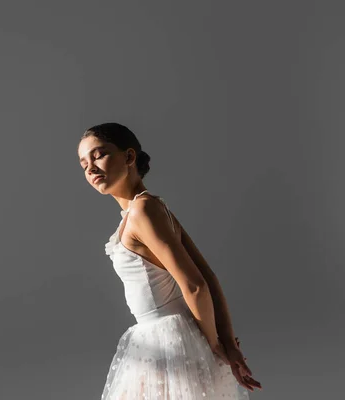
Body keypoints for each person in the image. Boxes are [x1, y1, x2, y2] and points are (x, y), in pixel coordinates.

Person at [77, 122, 262, 399]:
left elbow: (197, 284)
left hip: (169, 340)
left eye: (98, 155)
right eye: (83, 164)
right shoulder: (148, 208)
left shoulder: (144, 210)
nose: (90, 168)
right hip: (167, 339)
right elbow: (208, 276)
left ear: (129, 157)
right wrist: (224, 342)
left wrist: (213, 345)